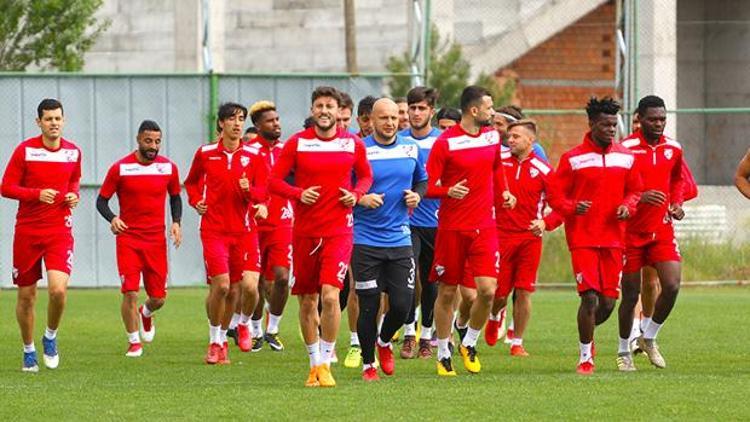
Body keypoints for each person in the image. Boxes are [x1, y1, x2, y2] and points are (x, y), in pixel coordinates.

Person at [269, 86, 373, 387]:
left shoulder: (352, 143)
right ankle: (313, 363)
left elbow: (365, 175)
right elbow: (274, 181)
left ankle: (326, 361)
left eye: (329, 105)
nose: (324, 110)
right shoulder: (297, 143)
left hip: (339, 230)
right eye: (319, 106)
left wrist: (356, 194)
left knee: (330, 295)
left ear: (338, 111)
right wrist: (299, 193)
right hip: (304, 232)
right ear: (313, 110)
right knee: (307, 300)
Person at [548, 97, 641, 375]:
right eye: (605, 124)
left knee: (608, 303)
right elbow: (555, 196)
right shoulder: (572, 158)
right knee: (588, 298)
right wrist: (572, 207)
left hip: (614, 238)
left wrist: (629, 205)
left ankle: (588, 331)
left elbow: (635, 190)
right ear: (591, 125)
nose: (611, 129)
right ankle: (585, 356)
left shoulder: (626, 156)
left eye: (614, 124)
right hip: (583, 239)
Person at [426, 86, 516, 376]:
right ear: (474, 111)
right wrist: (447, 190)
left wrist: (504, 192)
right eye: (489, 108)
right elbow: (427, 187)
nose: (493, 112)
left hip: (484, 226)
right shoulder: (445, 143)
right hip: (452, 228)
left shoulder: (491, 136)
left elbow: (496, 169)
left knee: (488, 292)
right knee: (448, 292)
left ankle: (470, 342)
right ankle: (443, 352)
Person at [1, 98, 82, 372]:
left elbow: (74, 180)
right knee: (27, 296)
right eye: (48, 119)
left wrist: (74, 195)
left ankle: (49, 336)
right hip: (27, 232)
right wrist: (36, 194)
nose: (54, 123)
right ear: (39, 122)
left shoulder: (73, 152)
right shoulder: (25, 151)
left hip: (59, 230)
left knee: (58, 290)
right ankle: (28, 350)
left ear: (64, 120)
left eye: (58, 118)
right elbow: (6, 187)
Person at [184, 102, 268, 364]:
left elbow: (263, 192)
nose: (237, 123)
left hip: (245, 231)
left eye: (241, 119)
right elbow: (192, 182)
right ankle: (215, 341)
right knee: (221, 287)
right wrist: (196, 200)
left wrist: (248, 192)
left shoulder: (254, 156)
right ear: (221, 123)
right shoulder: (206, 153)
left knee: (247, 288)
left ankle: (242, 323)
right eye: (231, 119)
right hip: (214, 230)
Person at [353, 98, 427, 381]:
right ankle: (368, 363)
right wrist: (362, 197)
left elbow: (422, 179)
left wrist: (417, 194)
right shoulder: (360, 150)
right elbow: (344, 189)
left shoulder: (411, 148)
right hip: (365, 240)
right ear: (370, 120)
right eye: (383, 117)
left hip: (400, 238)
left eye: (395, 117)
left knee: (402, 305)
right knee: (369, 304)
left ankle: (385, 341)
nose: (390, 122)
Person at [97, 120, 182, 357]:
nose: (153, 146)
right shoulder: (120, 168)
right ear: (138, 139)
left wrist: (176, 222)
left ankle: (146, 313)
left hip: (156, 241)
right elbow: (101, 201)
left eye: (157, 142)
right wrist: (113, 218)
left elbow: (175, 197)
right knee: (130, 292)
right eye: (148, 141)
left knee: (159, 298)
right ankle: (134, 341)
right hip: (128, 239)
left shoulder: (168, 168)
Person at [617, 95, 685, 371]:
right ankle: (623, 350)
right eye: (653, 119)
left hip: (661, 229)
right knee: (631, 294)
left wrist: (676, 202)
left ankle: (649, 337)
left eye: (662, 119)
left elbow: (678, 179)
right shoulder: (625, 149)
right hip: (629, 231)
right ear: (639, 120)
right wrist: (639, 197)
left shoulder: (674, 148)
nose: (659, 124)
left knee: (671, 285)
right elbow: (616, 188)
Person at [485, 120, 562, 356]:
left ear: (531, 140)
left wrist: (545, 222)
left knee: (524, 290)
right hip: (500, 235)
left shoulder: (545, 170)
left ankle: (517, 342)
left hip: (529, 238)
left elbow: (560, 207)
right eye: (509, 136)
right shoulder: (498, 164)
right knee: (498, 292)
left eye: (516, 136)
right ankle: (494, 315)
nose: (510, 140)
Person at [397, 86, 442, 359]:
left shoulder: (443, 142)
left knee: (431, 281)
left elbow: (449, 182)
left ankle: (427, 335)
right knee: (408, 279)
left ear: (431, 112)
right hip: (406, 223)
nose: (415, 113)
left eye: (421, 108)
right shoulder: (399, 140)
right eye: (412, 108)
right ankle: (408, 334)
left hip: (436, 222)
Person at [244, 101, 292, 352]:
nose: (277, 124)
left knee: (282, 278)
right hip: (253, 224)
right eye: (270, 121)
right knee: (257, 281)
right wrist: (256, 200)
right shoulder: (248, 151)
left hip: (283, 222)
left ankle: (273, 328)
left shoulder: (288, 150)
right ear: (258, 126)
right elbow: (241, 187)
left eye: (277, 119)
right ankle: (255, 329)